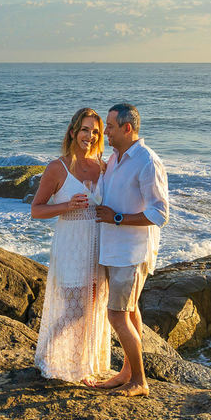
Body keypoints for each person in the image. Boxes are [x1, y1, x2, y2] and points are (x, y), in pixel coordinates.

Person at [88, 103, 169, 397]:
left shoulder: (147, 162)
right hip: (113, 249)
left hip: (132, 253)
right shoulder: (114, 159)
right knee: (130, 312)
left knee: (116, 315)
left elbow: (160, 214)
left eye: (110, 127)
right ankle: (127, 373)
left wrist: (118, 218)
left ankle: (140, 381)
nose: (105, 133)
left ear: (127, 128)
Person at [31, 107, 113, 385]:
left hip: (99, 244)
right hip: (71, 245)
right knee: (74, 310)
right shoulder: (58, 168)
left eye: (96, 131)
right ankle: (50, 354)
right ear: (73, 132)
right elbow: (36, 210)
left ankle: (85, 365)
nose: (90, 136)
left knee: (95, 306)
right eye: (85, 130)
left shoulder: (103, 166)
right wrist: (67, 206)